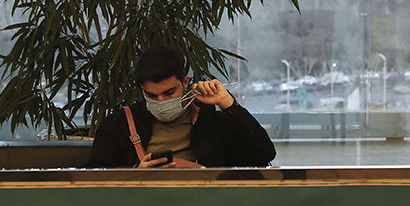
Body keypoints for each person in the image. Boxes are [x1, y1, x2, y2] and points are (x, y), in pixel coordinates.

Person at [87, 45, 275, 168]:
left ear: (185, 82)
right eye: (151, 95)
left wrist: (229, 104)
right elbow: (94, 177)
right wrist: (135, 174)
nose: (161, 101)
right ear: (142, 90)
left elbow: (263, 154)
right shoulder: (120, 124)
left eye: (169, 93)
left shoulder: (213, 123)